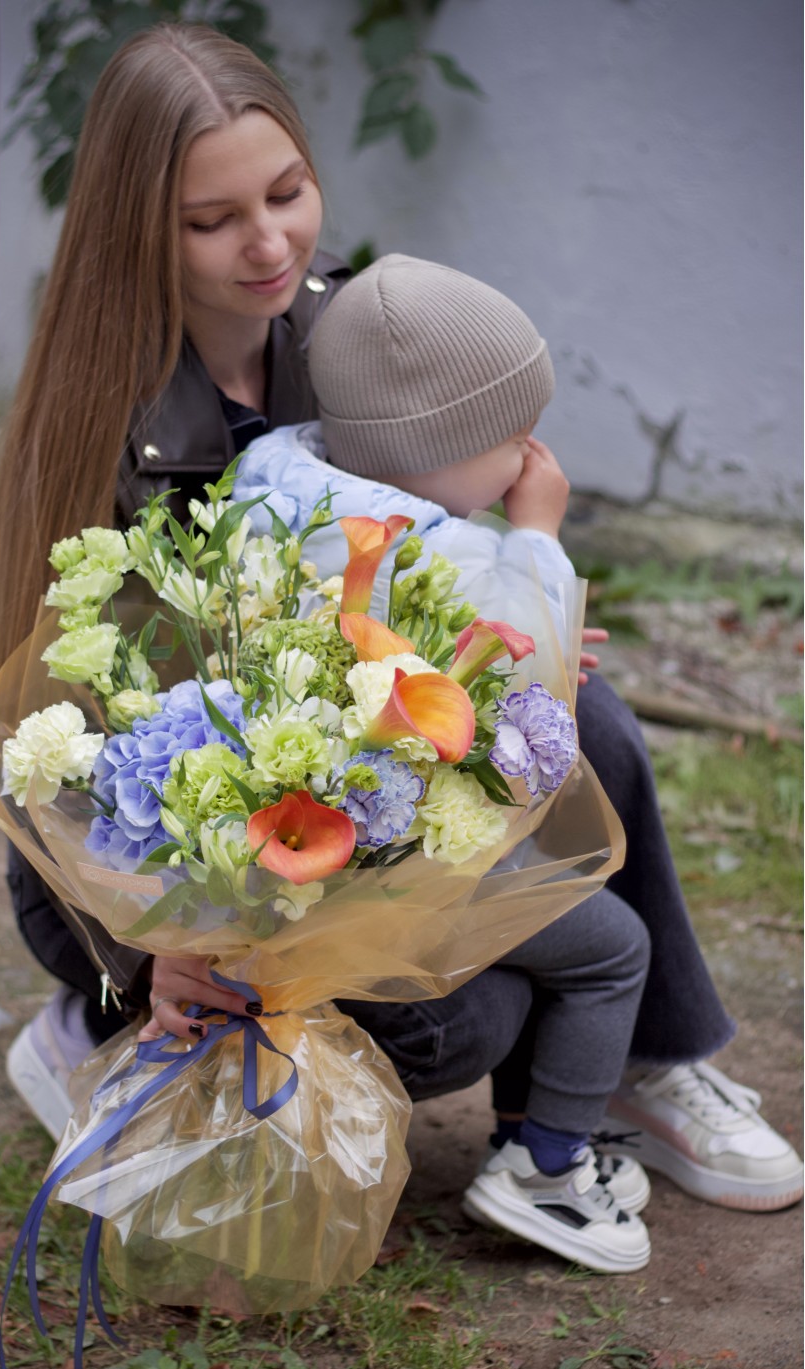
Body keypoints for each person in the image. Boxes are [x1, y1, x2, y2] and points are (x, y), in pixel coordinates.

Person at [0, 22, 799, 1253]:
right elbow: (78, 745)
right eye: (212, 221)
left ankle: (642, 1063)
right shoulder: (109, 416)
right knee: (462, 1031)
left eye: (288, 192)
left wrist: (510, 635)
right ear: (135, 228)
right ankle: (92, 1021)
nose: (269, 244)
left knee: (590, 721)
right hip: (166, 852)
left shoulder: (358, 334)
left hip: (365, 796)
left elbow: (440, 555)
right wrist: (149, 953)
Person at [231, 253, 804, 1220]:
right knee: (611, 945)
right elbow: (535, 680)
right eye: (511, 435)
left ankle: (544, 1133)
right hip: (403, 866)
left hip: (309, 849)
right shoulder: (437, 546)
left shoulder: (276, 480)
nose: (532, 454)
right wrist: (535, 539)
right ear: (434, 453)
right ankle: (547, 1170)